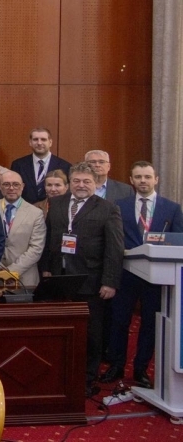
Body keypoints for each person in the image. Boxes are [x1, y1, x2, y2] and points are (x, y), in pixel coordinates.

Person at [40, 162, 124, 397]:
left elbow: (115, 249)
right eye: (76, 180)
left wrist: (109, 282)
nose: (81, 185)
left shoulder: (108, 208)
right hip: (59, 279)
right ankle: (60, 376)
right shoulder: (56, 204)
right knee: (59, 330)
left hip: (91, 280)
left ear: (96, 183)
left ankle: (87, 379)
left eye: (87, 181)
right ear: (70, 182)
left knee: (91, 333)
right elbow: (49, 240)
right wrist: (46, 269)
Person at [104, 161, 183, 388]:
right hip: (126, 274)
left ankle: (140, 369)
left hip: (157, 278)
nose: (143, 181)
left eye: (147, 177)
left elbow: (179, 241)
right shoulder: (119, 206)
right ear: (131, 180)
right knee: (119, 321)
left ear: (156, 179)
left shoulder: (172, 209)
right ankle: (117, 365)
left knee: (150, 323)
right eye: (138, 177)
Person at [0, 171, 46, 287]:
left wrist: (11, 271)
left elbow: (36, 248)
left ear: (22, 187)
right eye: (6, 184)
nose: (11, 188)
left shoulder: (36, 213)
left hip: (25, 278)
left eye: (16, 184)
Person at [10, 128, 71, 204]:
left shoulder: (65, 166)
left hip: (54, 210)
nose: (39, 143)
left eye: (43, 139)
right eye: (35, 139)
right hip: (25, 211)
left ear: (50, 142)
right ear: (30, 142)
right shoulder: (18, 165)